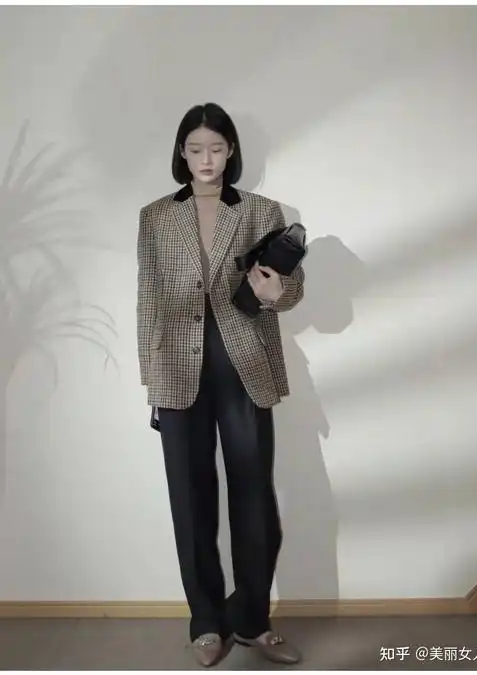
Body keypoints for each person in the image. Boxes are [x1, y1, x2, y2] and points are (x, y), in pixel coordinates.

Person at [136, 102, 305, 667]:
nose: (206, 159)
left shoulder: (260, 210)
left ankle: (252, 620)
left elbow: (291, 285)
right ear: (181, 153)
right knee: (190, 502)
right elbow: (148, 299)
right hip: (177, 372)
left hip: (244, 366)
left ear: (231, 151)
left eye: (216, 148)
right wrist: (152, 380)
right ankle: (206, 622)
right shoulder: (156, 216)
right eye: (195, 149)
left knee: (254, 498)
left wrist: (277, 292)